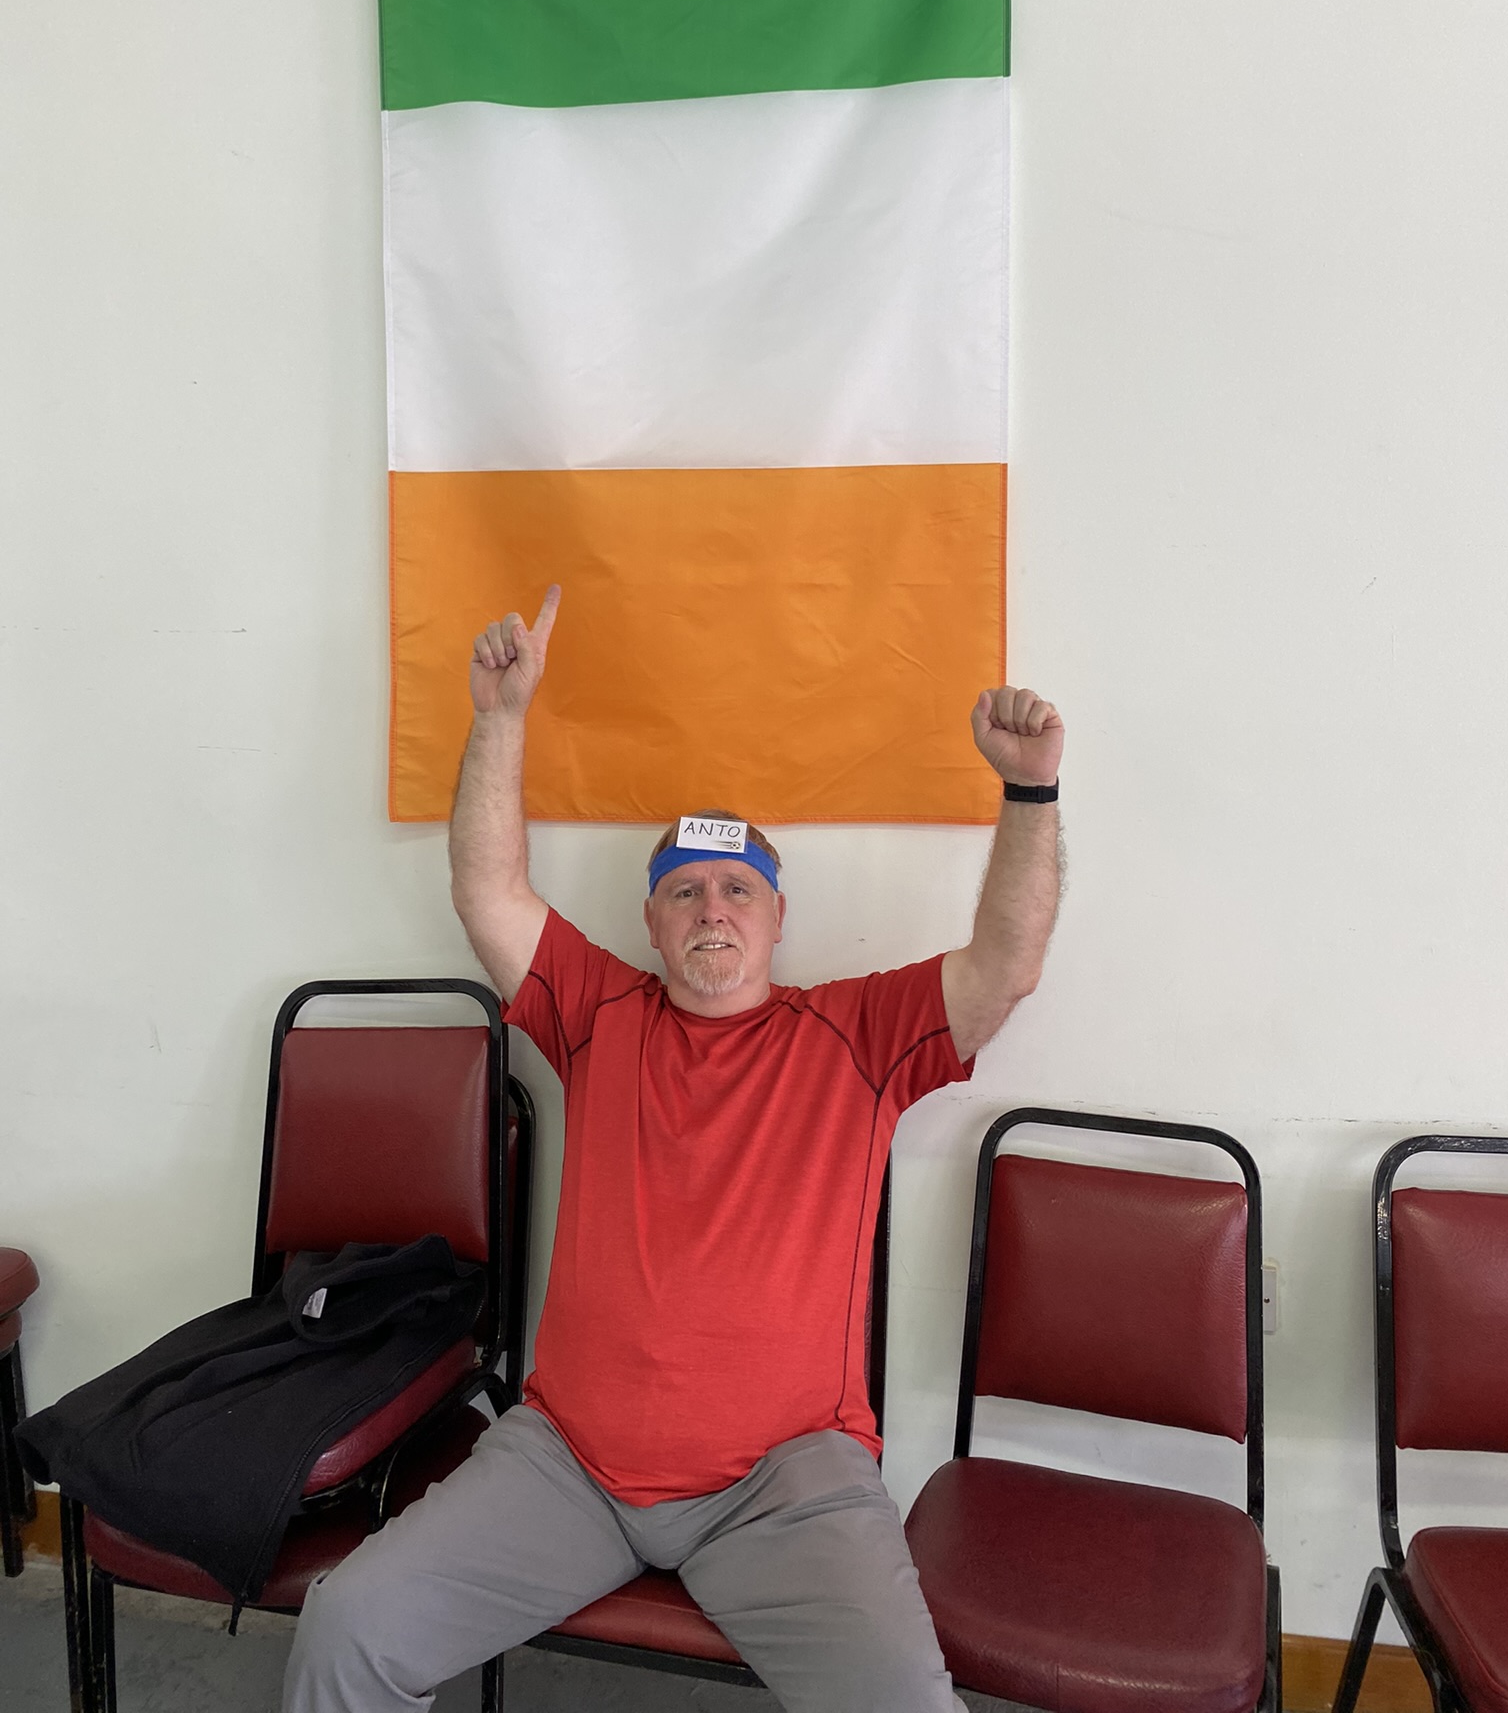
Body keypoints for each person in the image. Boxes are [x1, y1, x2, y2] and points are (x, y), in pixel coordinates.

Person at [284, 585, 1063, 1713]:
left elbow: (1006, 963)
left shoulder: (859, 1034)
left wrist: (1030, 791)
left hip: (785, 1485)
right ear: (651, 924)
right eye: (685, 890)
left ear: (777, 919)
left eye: (740, 889)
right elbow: (486, 887)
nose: (713, 908)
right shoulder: (597, 1011)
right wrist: (500, 719)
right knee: (348, 1627)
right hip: (567, 1463)